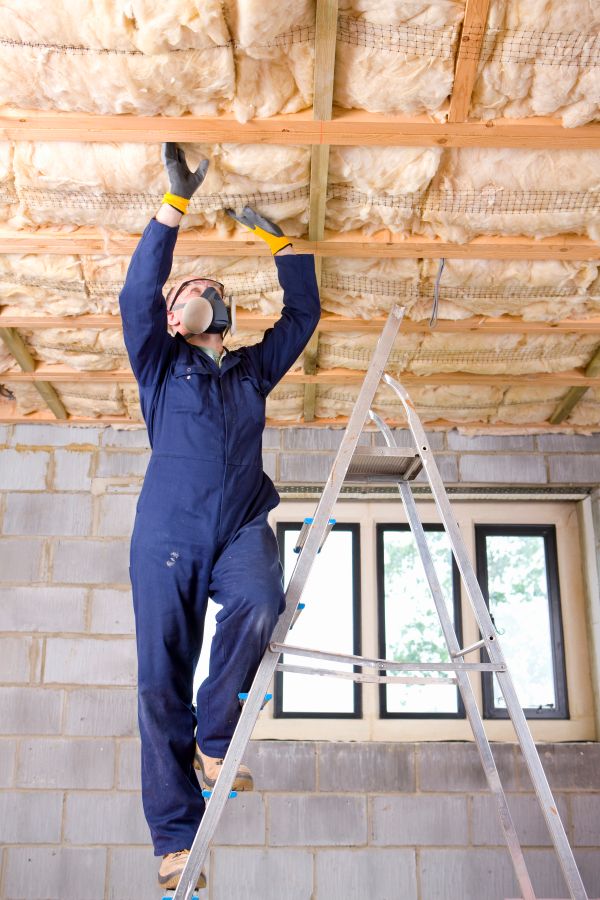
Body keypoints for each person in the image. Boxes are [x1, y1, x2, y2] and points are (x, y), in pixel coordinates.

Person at [119, 142, 320, 891]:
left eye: (210, 283)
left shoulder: (250, 372)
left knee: (264, 600)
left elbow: (304, 315)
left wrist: (281, 246)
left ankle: (217, 737)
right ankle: (176, 841)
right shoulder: (159, 366)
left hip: (239, 526)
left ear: (224, 316)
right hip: (166, 538)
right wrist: (173, 205)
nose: (198, 287)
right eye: (186, 287)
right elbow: (137, 293)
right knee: (156, 684)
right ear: (172, 320)